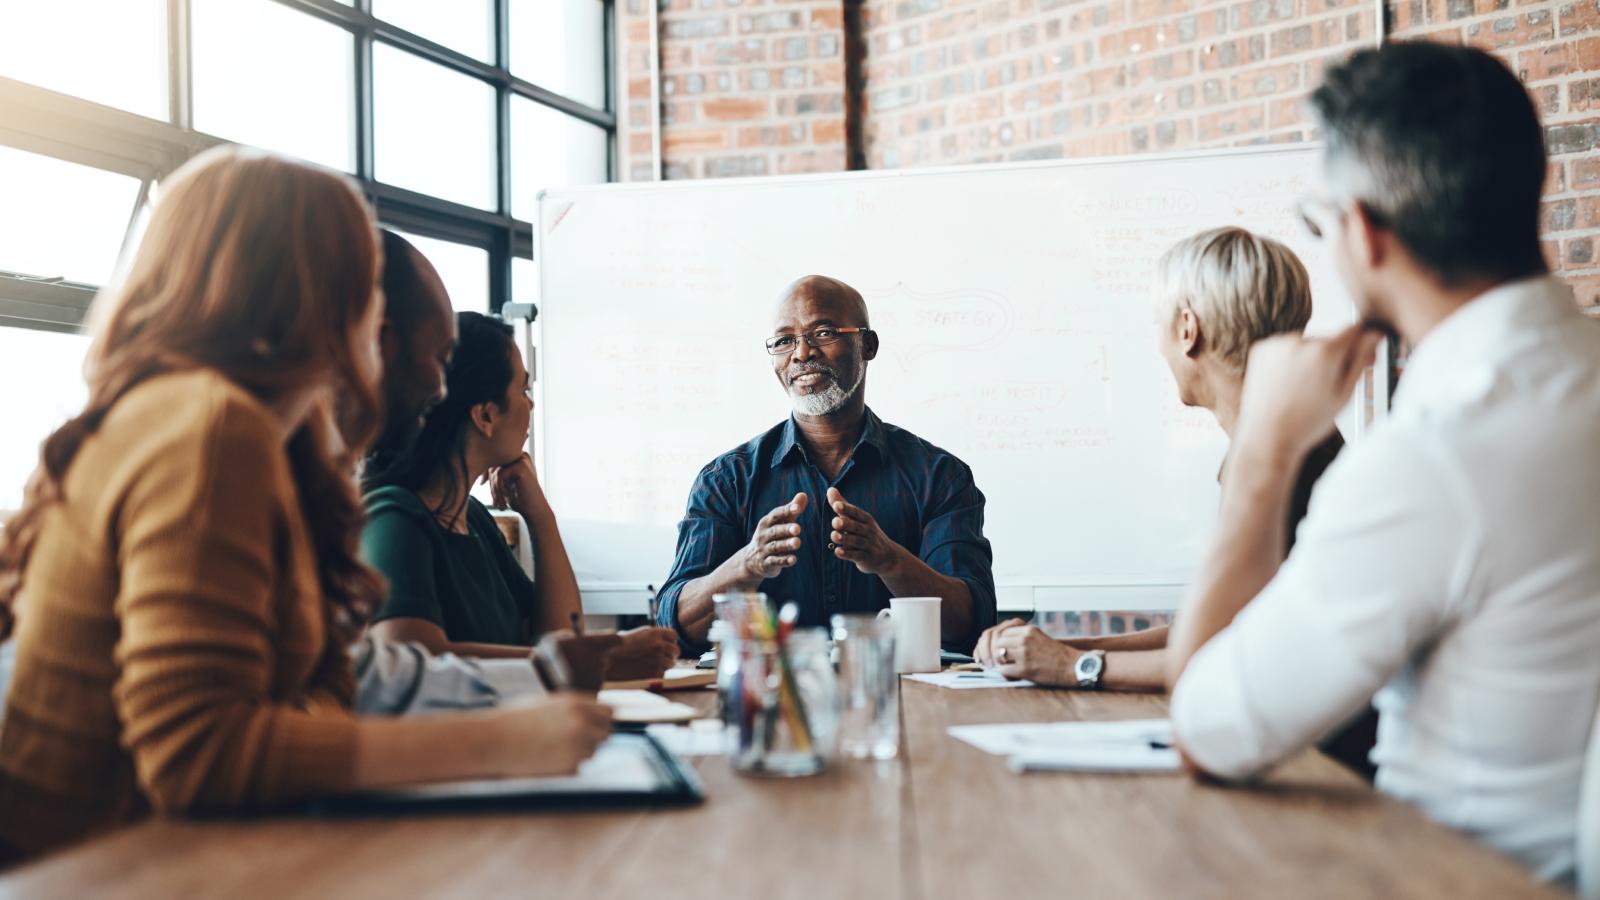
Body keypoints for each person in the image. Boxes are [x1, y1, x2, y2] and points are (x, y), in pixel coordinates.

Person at [0, 147, 612, 865]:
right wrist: (499, 743)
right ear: (318, 299)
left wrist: (525, 693)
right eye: (365, 292)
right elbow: (199, 752)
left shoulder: (202, 423)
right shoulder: (209, 427)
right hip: (99, 869)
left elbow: (312, 682)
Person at [1165, 43, 1600, 887]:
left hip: (1439, 872)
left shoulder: (1436, 452)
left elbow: (1208, 728)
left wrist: (1263, 450)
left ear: (1361, 232)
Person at [972, 227, 1379, 780]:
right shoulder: (1289, 448)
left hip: (1320, 769)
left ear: (1188, 329)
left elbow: (1215, 654)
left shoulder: (1278, 467)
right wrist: (1060, 645)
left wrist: (1073, 667)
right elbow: (1210, 624)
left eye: (1158, 324)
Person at [654, 275, 997, 650]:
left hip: (902, 699)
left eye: (823, 332)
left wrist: (889, 559)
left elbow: (972, 624)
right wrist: (748, 565)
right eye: (785, 341)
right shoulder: (726, 480)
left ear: (867, 345)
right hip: (771, 699)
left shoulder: (939, 477)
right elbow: (676, 626)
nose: (802, 353)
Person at [362, 310, 677, 676]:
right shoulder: (394, 517)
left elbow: (557, 635)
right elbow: (408, 663)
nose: (530, 405)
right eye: (524, 390)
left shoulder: (475, 519)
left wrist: (541, 517)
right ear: (486, 416)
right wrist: (603, 659)